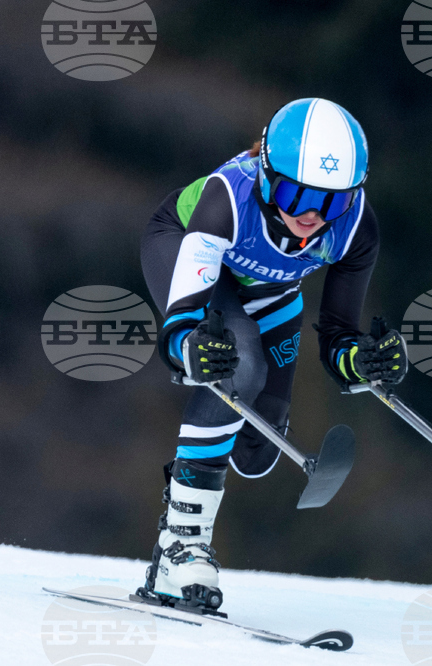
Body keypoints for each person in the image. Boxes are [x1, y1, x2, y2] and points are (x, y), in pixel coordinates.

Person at [137, 98, 407, 613]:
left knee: (259, 449)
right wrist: (190, 350)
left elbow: (338, 336)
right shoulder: (227, 199)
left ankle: (189, 514)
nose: (309, 216)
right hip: (186, 246)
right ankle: (180, 545)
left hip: (269, 287)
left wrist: (364, 364)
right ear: (265, 177)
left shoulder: (355, 227)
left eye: (329, 203)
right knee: (238, 363)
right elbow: (179, 330)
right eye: (294, 194)